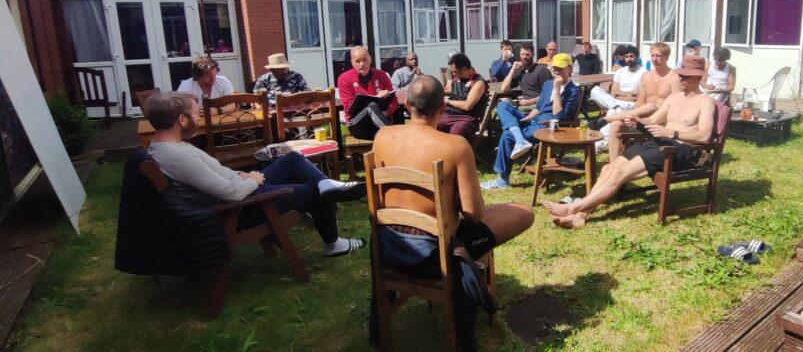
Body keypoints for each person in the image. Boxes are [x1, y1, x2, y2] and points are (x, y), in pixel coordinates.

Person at [369, 76, 534, 351]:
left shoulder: (383, 137)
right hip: (434, 256)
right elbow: (474, 213)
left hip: (389, 247)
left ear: (407, 105)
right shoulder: (455, 146)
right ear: (442, 108)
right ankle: (468, 271)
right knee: (525, 212)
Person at [145, 92, 364, 256]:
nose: (199, 117)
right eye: (196, 113)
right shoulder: (178, 157)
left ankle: (325, 183)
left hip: (241, 189)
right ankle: (333, 243)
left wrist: (241, 175)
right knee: (313, 191)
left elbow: (217, 174)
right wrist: (254, 180)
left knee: (292, 159)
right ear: (182, 120)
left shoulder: (166, 147)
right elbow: (231, 194)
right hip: (240, 208)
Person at [542, 55, 715, 229]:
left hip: (677, 149)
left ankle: (573, 208)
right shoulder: (674, 98)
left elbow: (705, 136)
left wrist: (672, 132)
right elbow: (653, 120)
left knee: (620, 173)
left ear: (698, 77)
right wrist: (638, 122)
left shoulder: (705, 102)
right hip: (658, 141)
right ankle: (580, 216)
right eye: (680, 74)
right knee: (608, 168)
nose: (681, 78)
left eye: (686, 76)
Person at [482, 54, 580, 190]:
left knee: (507, 134)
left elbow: (559, 116)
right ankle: (519, 137)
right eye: (554, 68)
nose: (556, 72)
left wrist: (557, 90)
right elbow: (539, 107)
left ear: (569, 69)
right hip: (535, 119)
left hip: (548, 125)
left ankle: (503, 179)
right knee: (502, 105)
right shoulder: (548, 84)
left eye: (560, 68)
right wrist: (528, 117)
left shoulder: (573, 91)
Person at [591, 42, 679, 159]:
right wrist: (633, 117)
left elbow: (676, 106)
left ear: (667, 57)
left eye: (658, 56)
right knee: (616, 125)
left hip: (661, 120)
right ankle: (614, 164)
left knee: (652, 106)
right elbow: (640, 102)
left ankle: (608, 119)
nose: (654, 58)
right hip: (642, 118)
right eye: (652, 55)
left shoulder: (674, 77)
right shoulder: (646, 76)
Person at [337, 46, 399, 140]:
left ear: (370, 59)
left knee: (383, 134)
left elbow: (394, 101)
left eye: (365, 59)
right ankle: (395, 138)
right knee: (371, 106)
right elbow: (348, 107)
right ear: (352, 62)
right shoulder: (344, 78)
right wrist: (376, 97)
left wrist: (385, 112)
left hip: (379, 122)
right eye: (358, 61)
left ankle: (393, 139)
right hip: (358, 124)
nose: (362, 64)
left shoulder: (381, 75)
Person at [438, 53, 488, 142]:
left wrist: (448, 101)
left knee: (455, 135)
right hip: (449, 115)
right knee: (430, 126)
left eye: (454, 71)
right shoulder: (457, 80)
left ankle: (456, 150)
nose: (453, 74)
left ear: (464, 69)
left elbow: (467, 105)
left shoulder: (478, 83)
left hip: (466, 118)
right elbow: (446, 89)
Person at [589, 45, 644, 112]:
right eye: (626, 57)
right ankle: (615, 107)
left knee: (612, 108)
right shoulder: (620, 71)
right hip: (617, 101)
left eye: (631, 56)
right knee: (595, 90)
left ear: (637, 57)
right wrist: (626, 96)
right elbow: (613, 92)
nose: (629, 59)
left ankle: (613, 108)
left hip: (630, 104)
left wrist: (619, 94)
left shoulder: (643, 73)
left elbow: (635, 96)